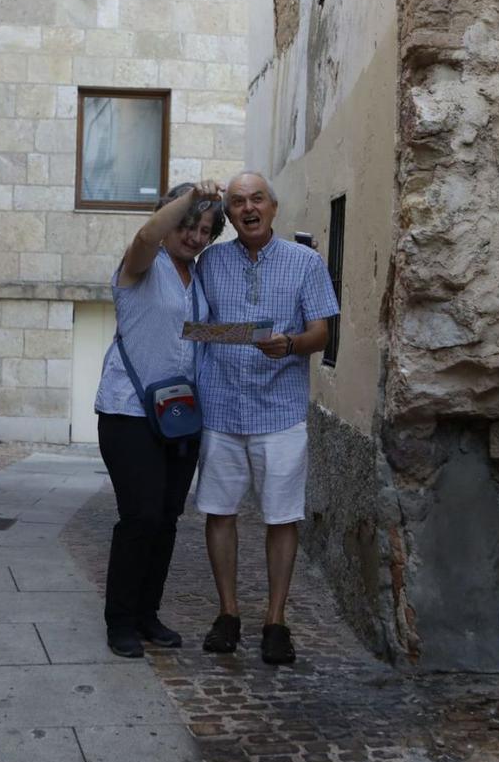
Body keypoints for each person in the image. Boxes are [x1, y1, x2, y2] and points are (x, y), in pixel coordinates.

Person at [194, 171, 339, 664]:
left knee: (281, 517)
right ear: (229, 214)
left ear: (274, 208)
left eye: (257, 199)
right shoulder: (209, 262)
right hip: (221, 407)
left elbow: (322, 334)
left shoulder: (306, 263)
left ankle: (276, 621)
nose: (248, 208)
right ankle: (228, 613)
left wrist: (292, 344)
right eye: (237, 202)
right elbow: (193, 330)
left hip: (280, 413)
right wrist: (236, 336)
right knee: (219, 511)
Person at [94, 180, 226, 658]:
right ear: (170, 217)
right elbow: (148, 236)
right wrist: (191, 199)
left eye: (205, 230)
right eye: (188, 225)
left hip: (178, 417)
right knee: (141, 516)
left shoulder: (196, 278)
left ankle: (148, 614)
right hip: (128, 411)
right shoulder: (141, 266)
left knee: (167, 519)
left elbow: (195, 333)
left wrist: (262, 337)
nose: (194, 236)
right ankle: (120, 621)